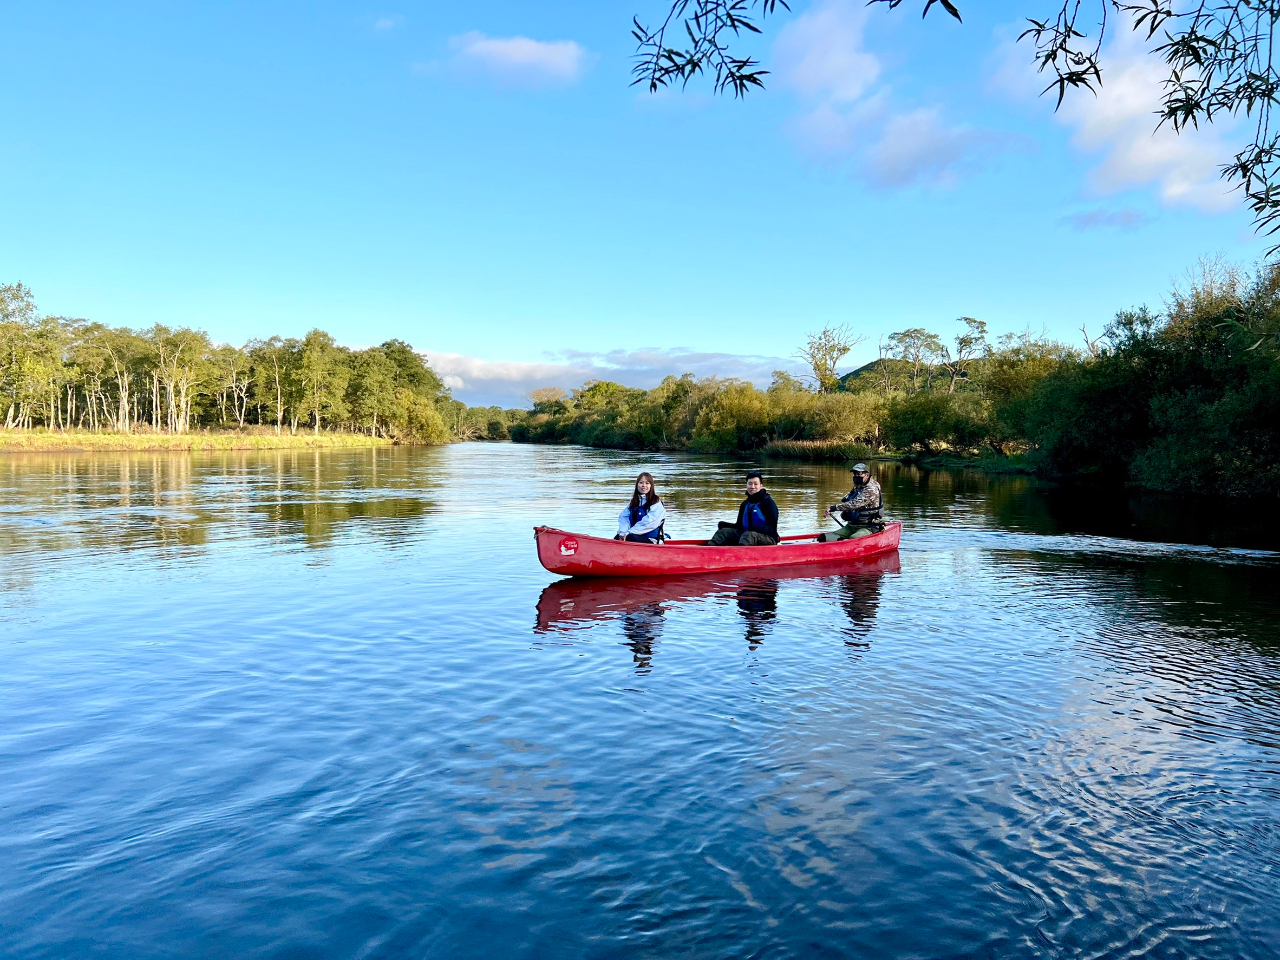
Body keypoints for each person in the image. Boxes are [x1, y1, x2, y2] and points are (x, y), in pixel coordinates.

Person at [706, 471, 780, 546]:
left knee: (749, 535)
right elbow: (739, 526)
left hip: (768, 538)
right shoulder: (745, 504)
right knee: (723, 532)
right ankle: (708, 551)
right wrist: (724, 525)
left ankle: (739, 555)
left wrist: (753, 528)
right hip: (747, 535)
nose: (752, 486)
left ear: (761, 486)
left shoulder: (768, 503)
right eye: (750, 483)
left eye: (755, 484)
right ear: (746, 485)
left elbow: (771, 528)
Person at [818, 463, 883, 542]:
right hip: (852, 525)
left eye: (859, 474)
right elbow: (848, 499)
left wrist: (833, 508)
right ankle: (840, 542)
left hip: (868, 526)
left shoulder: (871, 488)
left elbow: (855, 504)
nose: (856, 476)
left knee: (853, 539)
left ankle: (843, 544)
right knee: (824, 538)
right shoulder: (859, 485)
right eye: (854, 474)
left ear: (867, 475)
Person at [615, 472, 667, 543]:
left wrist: (629, 533)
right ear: (637, 485)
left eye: (647, 483)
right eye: (641, 483)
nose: (643, 485)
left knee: (630, 537)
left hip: (652, 540)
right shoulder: (633, 502)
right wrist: (623, 533)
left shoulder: (656, 503)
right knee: (618, 537)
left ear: (651, 486)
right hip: (634, 536)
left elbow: (649, 523)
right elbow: (624, 517)